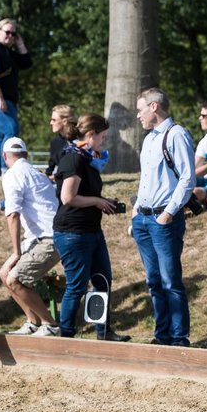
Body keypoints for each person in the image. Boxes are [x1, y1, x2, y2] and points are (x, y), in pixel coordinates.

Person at [53, 113, 129, 340]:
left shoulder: (87, 158)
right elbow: (68, 198)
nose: (104, 141)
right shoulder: (74, 159)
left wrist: (104, 201)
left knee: (102, 280)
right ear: (90, 135)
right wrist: (97, 201)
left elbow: (85, 193)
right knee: (76, 286)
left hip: (92, 231)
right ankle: (66, 335)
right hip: (72, 232)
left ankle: (103, 332)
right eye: (102, 136)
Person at [130, 88, 195, 347]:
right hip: (144, 219)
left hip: (163, 220)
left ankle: (179, 337)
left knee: (170, 281)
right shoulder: (149, 139)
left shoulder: (175, 134)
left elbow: (187, 177)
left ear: (154, 107)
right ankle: (163, 334)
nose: (138, 115)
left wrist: (168, 213)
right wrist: (136, 211)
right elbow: (146, 180)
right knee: (153, 281)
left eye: (140, 109)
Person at [0, 137, 62, 336]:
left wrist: (17, 252)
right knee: (4, 273)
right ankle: (32, 321)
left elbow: (13, 215)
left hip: (48, 239)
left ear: (4, 156)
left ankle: (51, 325)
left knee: (15, 280)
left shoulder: (11, 175)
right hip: (45, 237)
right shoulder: (38, 173)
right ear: (25, 154)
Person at [0, 17, 33, 178]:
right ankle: (7, 168)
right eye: (7, 32)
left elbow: (26, 62)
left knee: (1, 135)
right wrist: (0, 98)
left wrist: (20, 43)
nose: (10, 36)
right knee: (11, 129)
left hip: (7, 99)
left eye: (13, 33)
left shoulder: (7, 51)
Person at [45, 105, 75, 180]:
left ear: (64, 121)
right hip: (59, 185)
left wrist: (56, 176)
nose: (51, 123)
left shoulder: (77, 141)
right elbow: (51, 164)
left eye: (54, 120)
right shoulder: (54, 142)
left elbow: (73, 168)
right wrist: (45, 176)